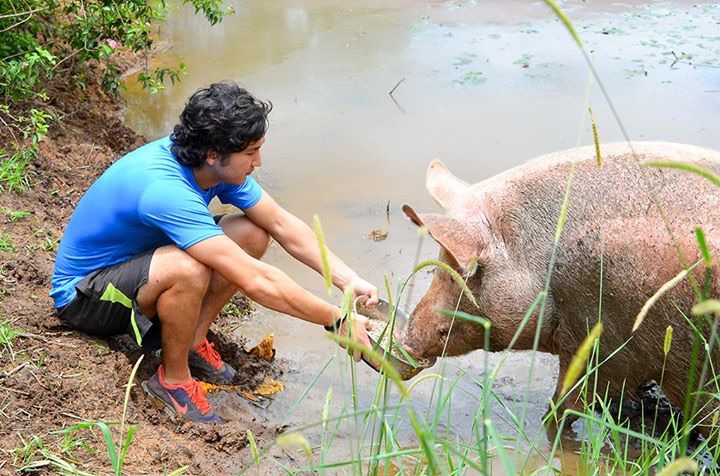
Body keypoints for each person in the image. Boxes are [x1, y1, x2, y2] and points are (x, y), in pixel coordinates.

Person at [50, 81, 378, 423]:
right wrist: (335, 319)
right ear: (213, 154)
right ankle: (173, 380)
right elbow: (254, 279)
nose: (259, 161)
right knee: (187, 268)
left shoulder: (210, 164)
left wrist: (347, 280)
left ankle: (191, 341)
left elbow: (280, 223)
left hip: (139, 268)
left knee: (252, 232)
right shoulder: (165, 189)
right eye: (251, 153)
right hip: (86, 298)